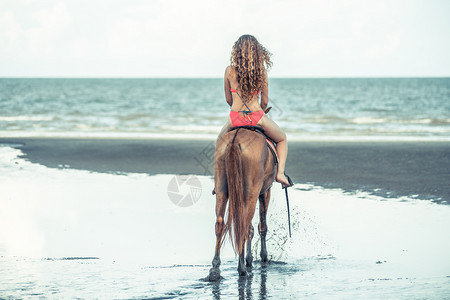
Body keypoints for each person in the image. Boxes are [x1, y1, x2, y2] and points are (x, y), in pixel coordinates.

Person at [217, 34, 292, 188]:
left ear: (236, 51)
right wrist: (261, 110)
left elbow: (228, 100)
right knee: (282, 139)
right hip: (256, 117)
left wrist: (236, 106)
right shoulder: (261, 71)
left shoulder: (229, 71)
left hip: (235, 118)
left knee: (219, 145)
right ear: (256, 51)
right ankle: (280, 174)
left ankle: (218, 184)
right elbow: (264, 101)